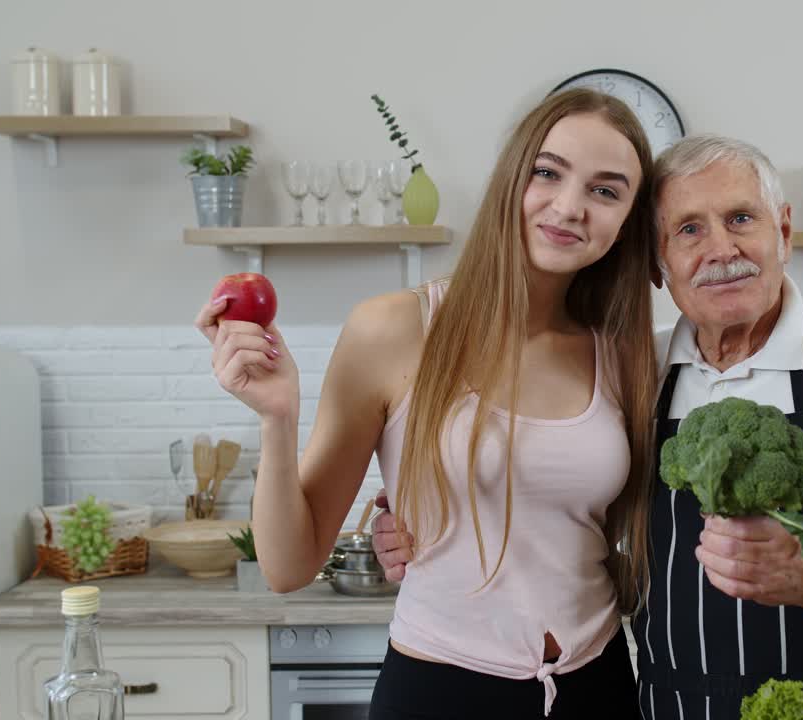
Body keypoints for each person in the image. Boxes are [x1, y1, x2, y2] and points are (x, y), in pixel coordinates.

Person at [374, 134, 803, 718]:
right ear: (658, 267)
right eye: (688, 230)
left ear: (783, 232)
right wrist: (423, 516)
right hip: (670, 706)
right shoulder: (635, 368)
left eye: (741, 218)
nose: (720, 249)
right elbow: (562, 510)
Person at [194, 88, 660, 720]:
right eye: (547, 173)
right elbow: (288, 565)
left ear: (629, 219)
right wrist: (277, 418)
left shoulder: (626, 354)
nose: (570, 206)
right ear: (510, 179)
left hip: (597, 688)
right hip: (441, 693)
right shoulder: (394, 329)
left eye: (606, 191)